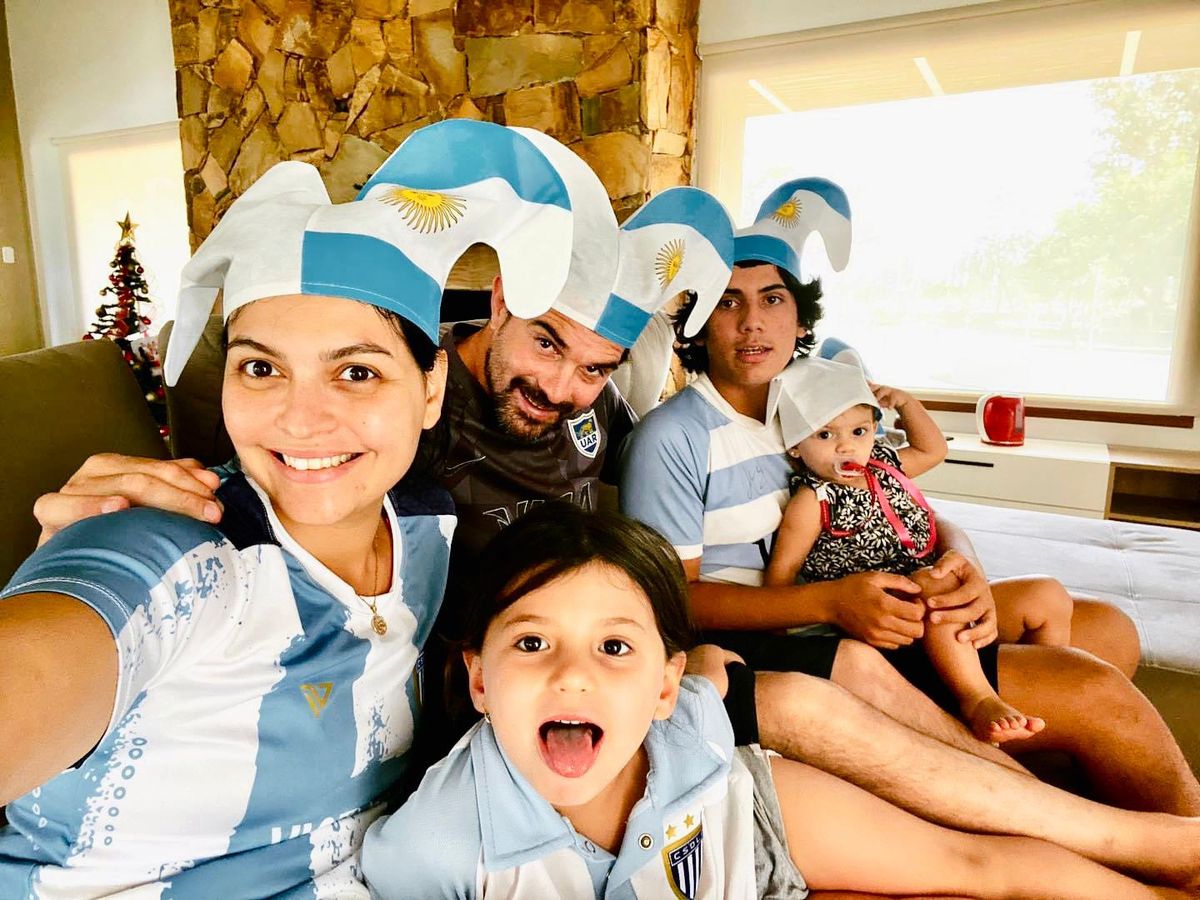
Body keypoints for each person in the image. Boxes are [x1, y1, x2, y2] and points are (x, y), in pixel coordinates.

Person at [22, 159, 1200, 878]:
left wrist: (954, 556)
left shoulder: (581, 434)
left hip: (610, 649)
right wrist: (108, 527)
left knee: (1087, 640)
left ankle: (1103, 832)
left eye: (595, 366)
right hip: (568, 674)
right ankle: (1099, 833)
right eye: (545, 347)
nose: (565, 385)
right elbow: (248, 498)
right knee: (819, 684)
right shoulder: (395, 467)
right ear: (472, 341)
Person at [0, 119, 581, 895]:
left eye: (357, 374)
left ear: (432, 389)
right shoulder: (168, 548)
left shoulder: (425, 525)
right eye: (262, 367)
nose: (301, 420)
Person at [620, 176, 1200, 815]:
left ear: (801, 314)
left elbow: (894, 495)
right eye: (728, 302)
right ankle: (1092, 810)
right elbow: (673, 602)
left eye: (773, 298)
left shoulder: (813, 406)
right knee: (1093, 688)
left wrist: (962, 559)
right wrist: (834, 603)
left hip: (877, 593)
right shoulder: (673, 437)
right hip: (809, 632)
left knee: (1110, 631)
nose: (753, 321)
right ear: (698, 322)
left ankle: (989, 753)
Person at [361, 503, 1191, 899]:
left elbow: (713, 678)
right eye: (532, 644)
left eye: (613, 647)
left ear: (659, 683)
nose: (572, 677)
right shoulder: (434, 852)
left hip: (745, 813)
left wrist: (712, 672)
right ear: (477, 679)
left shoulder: (684, 718)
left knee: (976, 869)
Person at [765, 358, 1076, 743]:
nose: (846, 445)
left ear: (874, 430)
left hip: (934, 585)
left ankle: (1045, 684)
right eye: (824, 436)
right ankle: (977, 698)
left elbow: (932, 450)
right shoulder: (813, 500)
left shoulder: (884, 465)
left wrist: (909, 405)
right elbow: (781, 574)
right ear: (796, 447)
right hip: (890, 611)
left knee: (1047, 595)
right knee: (935, 585)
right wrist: (780, 645)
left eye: (859, 431)